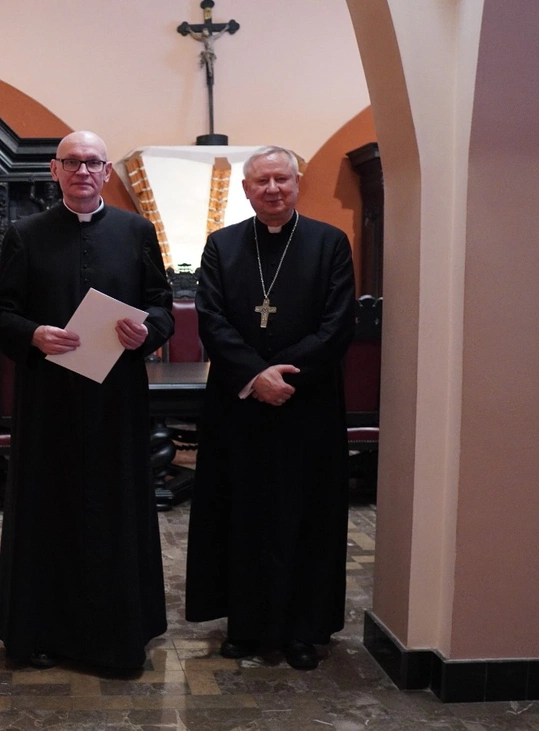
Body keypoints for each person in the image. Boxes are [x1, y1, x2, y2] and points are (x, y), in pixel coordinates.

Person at [0, 130, 174, 673]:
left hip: (116, 400)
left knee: (117, 510)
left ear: (107, 171)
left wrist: (149, 330)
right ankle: (43, 633)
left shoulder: (137, 231)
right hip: (50, 402)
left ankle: (120, 635)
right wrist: (34, 334)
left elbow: (161, 304)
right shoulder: (25, 234)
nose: (83, 171)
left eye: (92, 162)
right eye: (72, 162)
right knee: (50, 510)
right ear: (55, 170)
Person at [184, 146, 356, 671]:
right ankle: (244, 625)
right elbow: (211, 319)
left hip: (307, 406)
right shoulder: (222, 245)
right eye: (262, 181)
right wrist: (255, 376)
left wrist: (281, 375)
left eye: (282, 179)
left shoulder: (330, 243)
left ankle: (303, 629)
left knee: (306, 517)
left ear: (297, 182)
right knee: (242, 514)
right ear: (246, 189)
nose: (273, 188)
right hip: (240, 407)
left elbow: (338, 325)